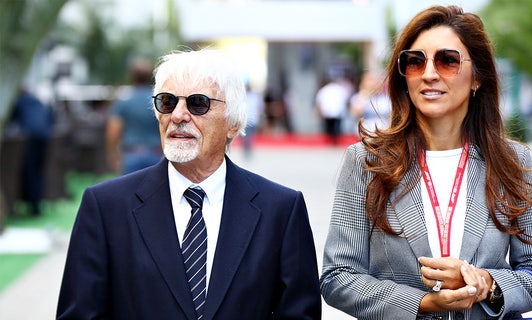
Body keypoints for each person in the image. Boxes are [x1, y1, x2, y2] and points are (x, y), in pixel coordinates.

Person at [320, 5, 532, 320]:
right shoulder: (366, 162)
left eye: (447, 60)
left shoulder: (512, 161)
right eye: (415, 62)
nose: (429, 73)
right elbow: (338, 275)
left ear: (477, 78)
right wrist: (423, 303)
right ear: (404, 77)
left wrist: (487, 284)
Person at [57, 48, 322, 320]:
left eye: (197, 104)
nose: (179, 115)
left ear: (233, 123)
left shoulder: (280, 210)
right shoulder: (105, 207)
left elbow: (300, 313)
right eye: (168, 102)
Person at [105, 58, 162, 174]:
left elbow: (113, 132)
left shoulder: (124, 101)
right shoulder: (159, 101)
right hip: (157, 156)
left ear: (132, 76)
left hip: (131, 156)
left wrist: (113, 156)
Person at [10, 86, 53, 216]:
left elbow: (12, 120)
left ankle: (33, 206)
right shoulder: (37, 101)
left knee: (30, 171)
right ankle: (37, 204)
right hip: (45, 138)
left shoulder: (20, 101)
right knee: (38, 171)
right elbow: (50, 119)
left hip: (30, 139)